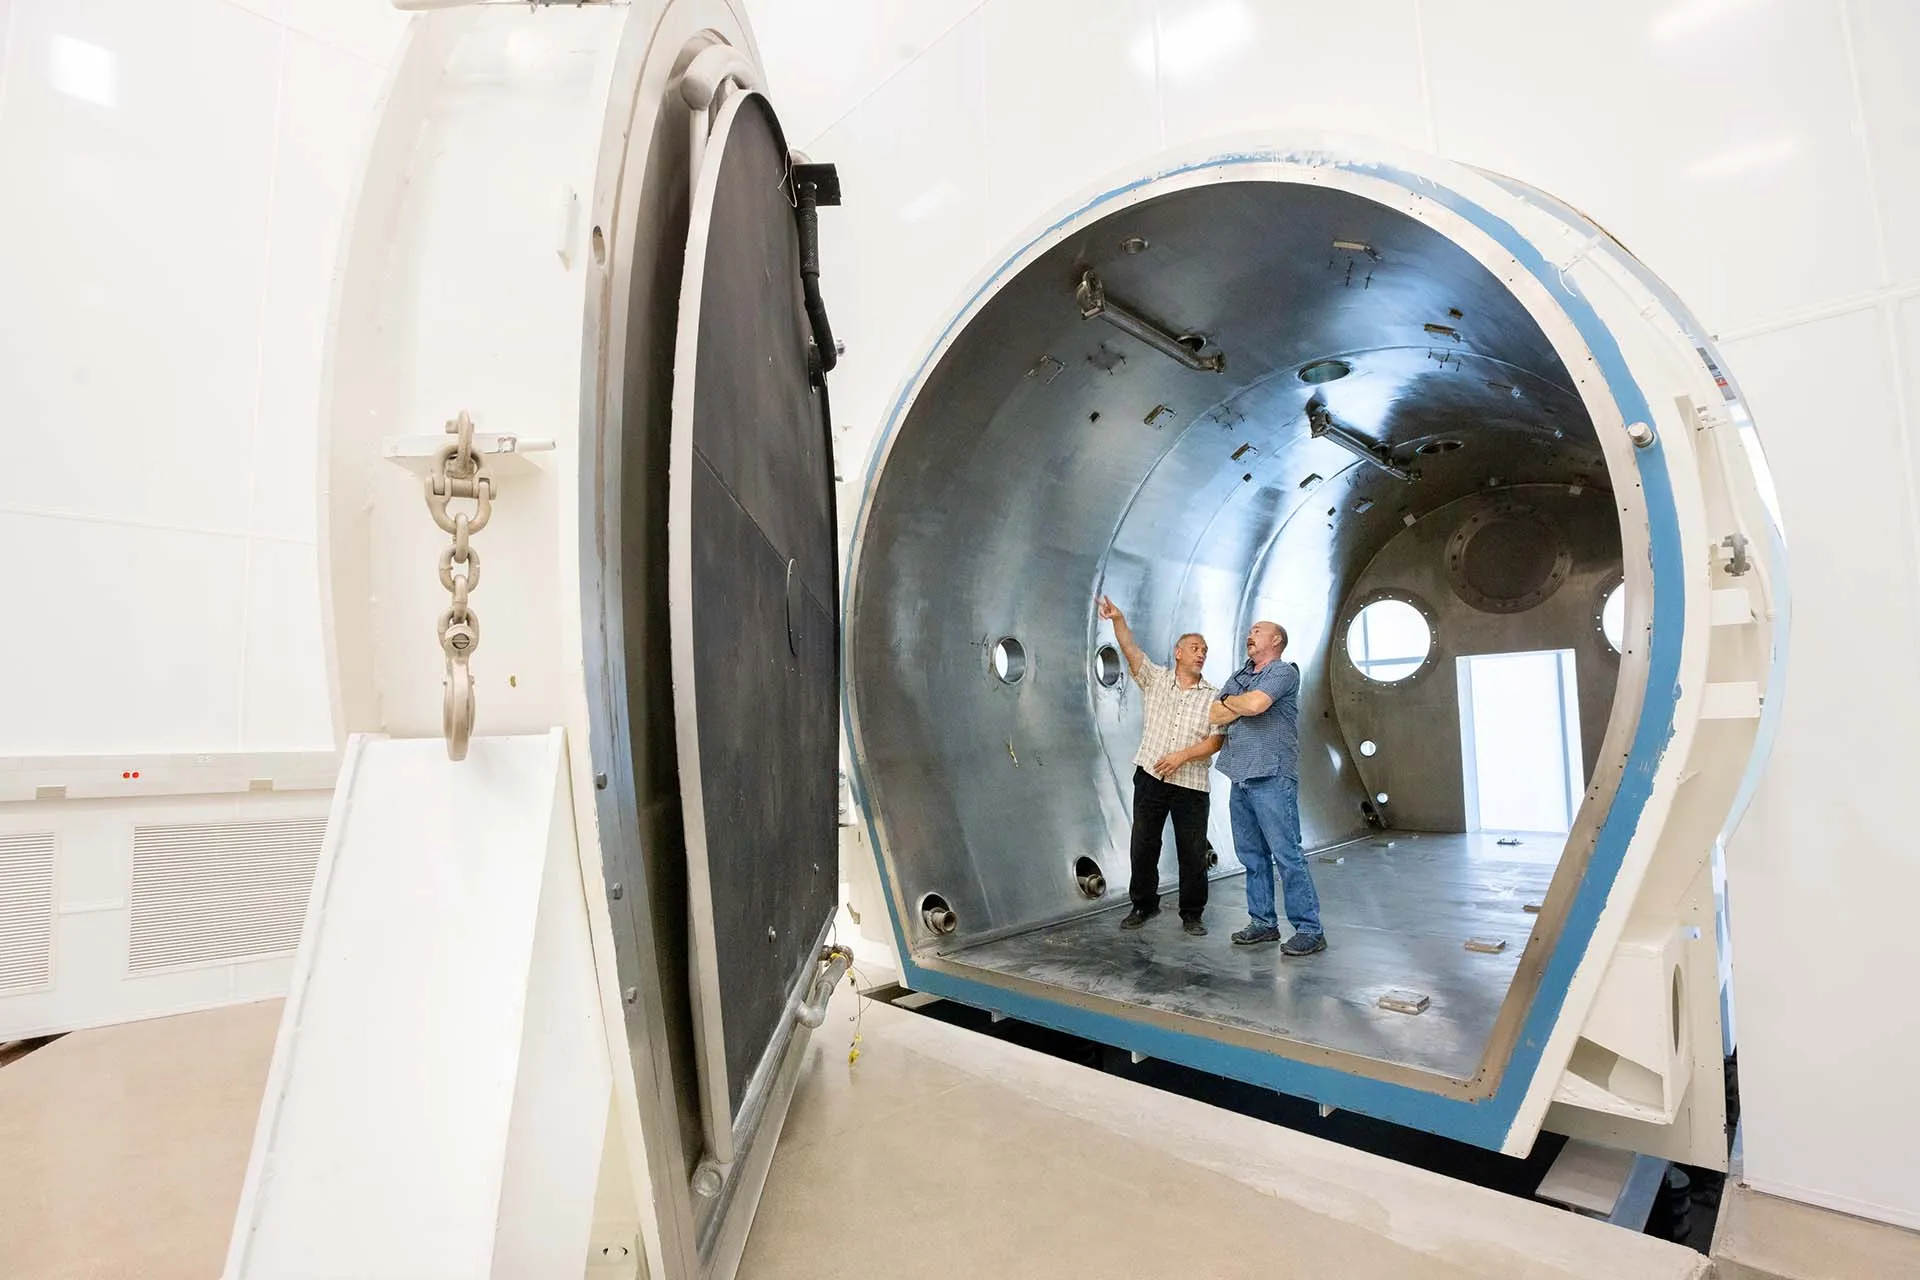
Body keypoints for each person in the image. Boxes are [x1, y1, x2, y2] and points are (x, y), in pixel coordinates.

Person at [1096, 596, 1223, 936]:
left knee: (1192, 851)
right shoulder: (1155, 679)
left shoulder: (1214, 695)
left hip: (1192, 785)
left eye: (1205, 650)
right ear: (1178, 653)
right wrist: (1118, 620)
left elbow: (1216, 742)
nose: (1201, 653)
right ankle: (1143, 904)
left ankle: (1192, 913)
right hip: (1151, 778)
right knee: (1144, 844)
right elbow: (1131, 650)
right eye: (1195, 647)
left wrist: (1182, 756)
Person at [1209, 620, 1327, 955]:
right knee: (1252, 856)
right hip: (1240, 777)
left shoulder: (1283, 672)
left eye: (1257, 631)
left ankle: (1310, 929)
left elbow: (1256, 706)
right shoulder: (1240, 675)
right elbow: (1215, 714)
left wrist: (1234, 701)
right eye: (1250, 631)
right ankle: (1263, 923)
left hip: (1272, 776)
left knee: (1287, 855)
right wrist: (1237, 701)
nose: (1250, 634)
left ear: (1276, 640)